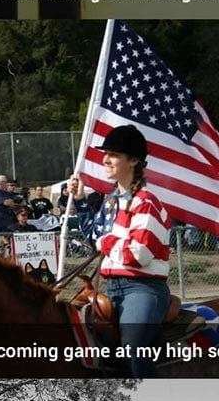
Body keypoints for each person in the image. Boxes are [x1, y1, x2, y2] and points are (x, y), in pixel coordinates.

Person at [68, 125, 172, 362]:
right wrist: (81, 201)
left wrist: (105, 242)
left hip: (143, 289)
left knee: (132, 349)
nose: (105, 160)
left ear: (134, 160)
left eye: (114, 154)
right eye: (106, 154)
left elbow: (138, 254)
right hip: (112, 287)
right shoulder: (111, 202)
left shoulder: (147, 203)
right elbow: (93, 237)